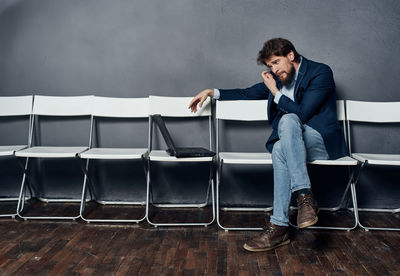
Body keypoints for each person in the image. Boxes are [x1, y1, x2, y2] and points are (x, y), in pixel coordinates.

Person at [188, 38, 347, 252]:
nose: (274, 69)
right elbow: (245, 93)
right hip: (291, 145)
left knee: (289, 119)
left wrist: (274, 92)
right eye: (270, 66)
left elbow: (302, 114)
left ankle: (289, 213)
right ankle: (296, 208)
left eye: (276, 62)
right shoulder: (277, 79)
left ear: (290, 55)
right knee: (281, 148)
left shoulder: (320, 73)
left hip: (322, 141)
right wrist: (211, 92)